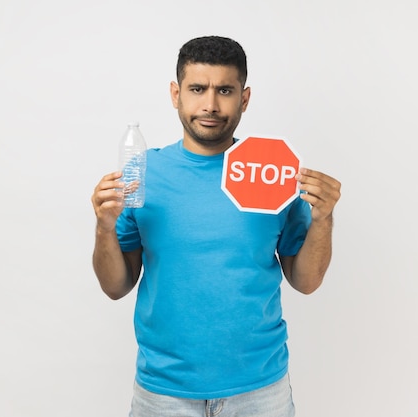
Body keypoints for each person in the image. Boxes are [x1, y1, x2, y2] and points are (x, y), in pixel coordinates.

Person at [91, 35, 341, 417]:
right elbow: (115, 286)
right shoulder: (142, 174)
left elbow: (305, 281)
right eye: (197, 89)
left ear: (244, 98)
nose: (210, 104)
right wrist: (104, 228)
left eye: (224, 90)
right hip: (164, 392)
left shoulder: (272, 173)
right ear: (176, 94)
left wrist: (323, 220)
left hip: (260, 390)